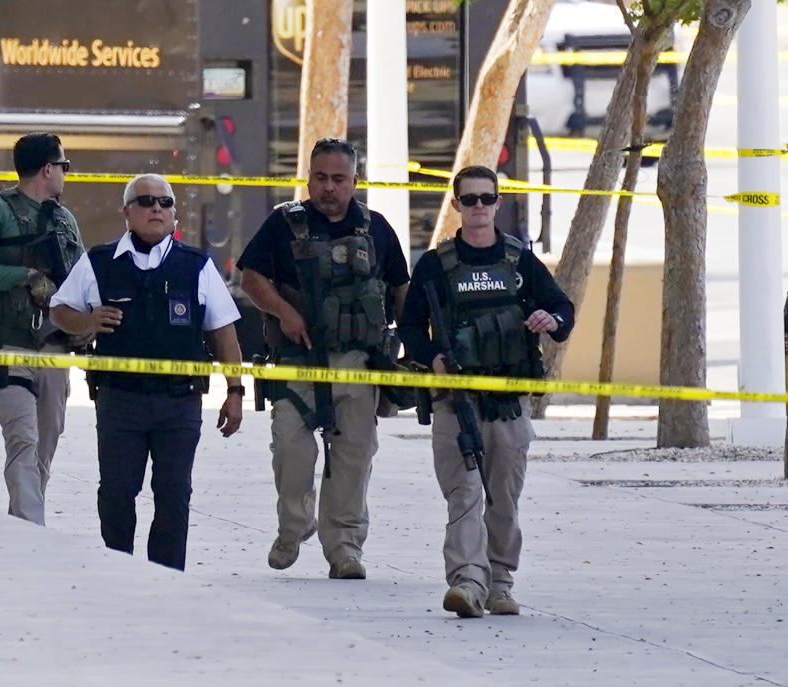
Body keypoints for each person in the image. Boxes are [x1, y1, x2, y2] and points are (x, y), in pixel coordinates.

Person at [399, 165, 574, 618]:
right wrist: (433, 359)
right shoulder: (436, 265)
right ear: (456, 204)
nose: (478, 207)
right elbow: (411, 326)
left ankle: (500, 582)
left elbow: (561, 307)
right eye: (469, 199)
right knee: (464, 492)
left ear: (498, 203)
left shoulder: (519, 261)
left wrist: (551, 320)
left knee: (503, 496)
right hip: (457, 401)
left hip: (509, 403)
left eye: (486, 198)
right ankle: (467, 582)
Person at [49, 173, 243, 571]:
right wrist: (87, 320)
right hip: (120, 401)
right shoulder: (99, 263)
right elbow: (58, 309)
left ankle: (167, 579)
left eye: (165, 202)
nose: (157, 208)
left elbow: (223, 331)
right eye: (146, 201)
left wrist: (236, 390)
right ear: (126, 212)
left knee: (174, 496)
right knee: (117, 493)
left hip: (180, 403)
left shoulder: (197, 266)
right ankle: (118, 571)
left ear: (174, 214)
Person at [238, 137, 410, 580]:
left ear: (355, 181)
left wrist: (413, 354)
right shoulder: (284, 224)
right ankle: (294, 526)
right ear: (308, 177)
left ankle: (345, 549)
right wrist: (284, 311)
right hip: (298, 359)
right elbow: (252, 276)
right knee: (291, 448)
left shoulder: (377, 229)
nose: (328, 188)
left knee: (354, 456)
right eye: (320, 178)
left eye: (338, 179)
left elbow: (400, 290)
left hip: (358, 360)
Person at [0, 132, 85, 526]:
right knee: (23, 438)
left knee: (43, 448)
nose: (66, 174)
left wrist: (86, 322)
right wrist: (25, 276)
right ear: (48, 169)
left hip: (53, 347)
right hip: (6, 345)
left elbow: (83, 279)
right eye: (63, 166)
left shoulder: (64, 220)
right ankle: (33, 530)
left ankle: (22, 525)